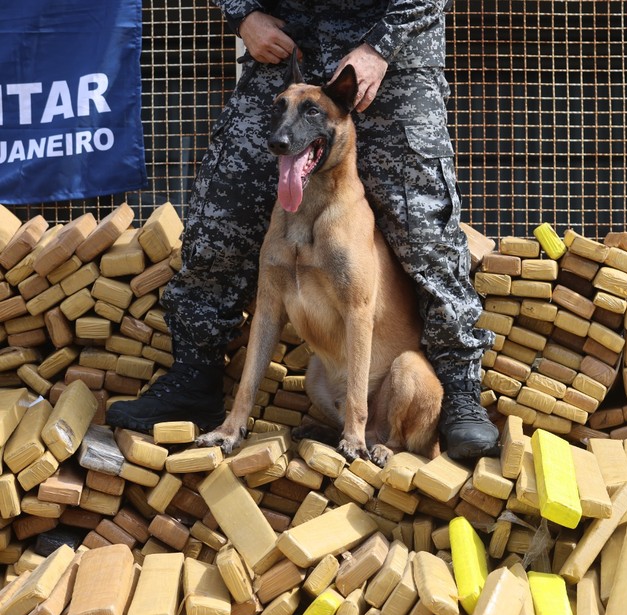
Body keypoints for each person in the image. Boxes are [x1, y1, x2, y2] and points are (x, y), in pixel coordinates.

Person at [106, 0, 500, 460]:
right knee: (219, 220)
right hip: (286, 42)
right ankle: (195, 376)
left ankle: (457, 392)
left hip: (390, 52)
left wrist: (380, 46)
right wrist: (243, 16)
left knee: (425, 233)